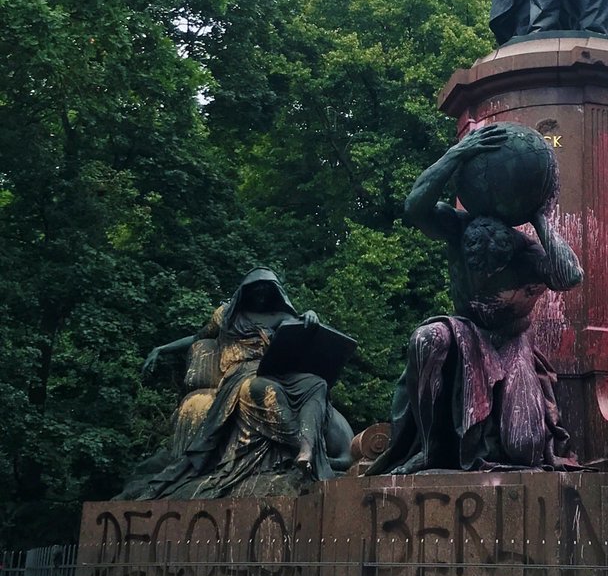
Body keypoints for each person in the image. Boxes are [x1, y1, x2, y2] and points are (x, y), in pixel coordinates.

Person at [367, 125, 583, 474]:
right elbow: (414, 206)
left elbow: (570, 276)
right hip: (465, 332)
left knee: (524, 447)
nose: (483, 271)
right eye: (475, 262)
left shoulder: (526, 251)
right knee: (427, 338)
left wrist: (538, 213)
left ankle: (496, 435)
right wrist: (458, 153)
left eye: (494, 266)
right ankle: (428, 447)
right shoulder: (458, 226)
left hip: (509, 343)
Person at [124, 269, 353, 498]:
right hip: (241, 374)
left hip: (275, 369)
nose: (261, 294)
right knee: (262, 390)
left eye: (266, 289)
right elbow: (198, 338)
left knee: (317, 383)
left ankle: (307, 449)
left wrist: (311, 315)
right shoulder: (225, 316)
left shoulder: (279, 316)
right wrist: (161, 349)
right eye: (256, 289)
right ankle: (297, 446)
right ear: (245, 291)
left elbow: (301, 326)